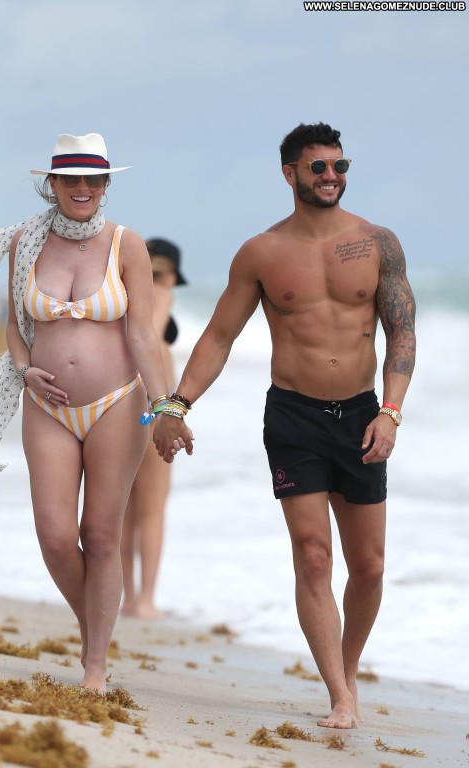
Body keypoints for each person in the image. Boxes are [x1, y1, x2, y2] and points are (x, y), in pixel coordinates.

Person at [153, 122, 416, 729]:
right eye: (318, 167)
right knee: (313, 556)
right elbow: (219, 336)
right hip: (294, 416)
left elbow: (402, 332)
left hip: (363, 414)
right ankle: (340, 696)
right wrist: (176, 405)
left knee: (370, 566)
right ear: (289, 173)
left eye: (340, 166)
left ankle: (348, 667)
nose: (331, 176)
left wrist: (391, 410)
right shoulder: (262, 253)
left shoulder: (378, 242)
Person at [0, 133, 170, 692]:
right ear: (51, 184)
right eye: (70, 178)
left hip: (116, 404)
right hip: (45, 406)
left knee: (99, 535)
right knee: (55, 538)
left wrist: (167, 405)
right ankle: (94, 626)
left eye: (92, 179)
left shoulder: (127, 245)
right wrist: (24, 368)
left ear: (104, 184)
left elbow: (143, 335)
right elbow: (15, 324)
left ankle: (95, 664)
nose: (81, 188)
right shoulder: (25, 242)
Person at [120, 238, 187, 618]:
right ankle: (144, 600)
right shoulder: (160, 296)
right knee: (151, 511)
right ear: (172, 274)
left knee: (126, 511)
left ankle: (129, 598)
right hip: (150, 412)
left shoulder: (125, 298)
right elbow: (154, 342)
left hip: (124, 410)